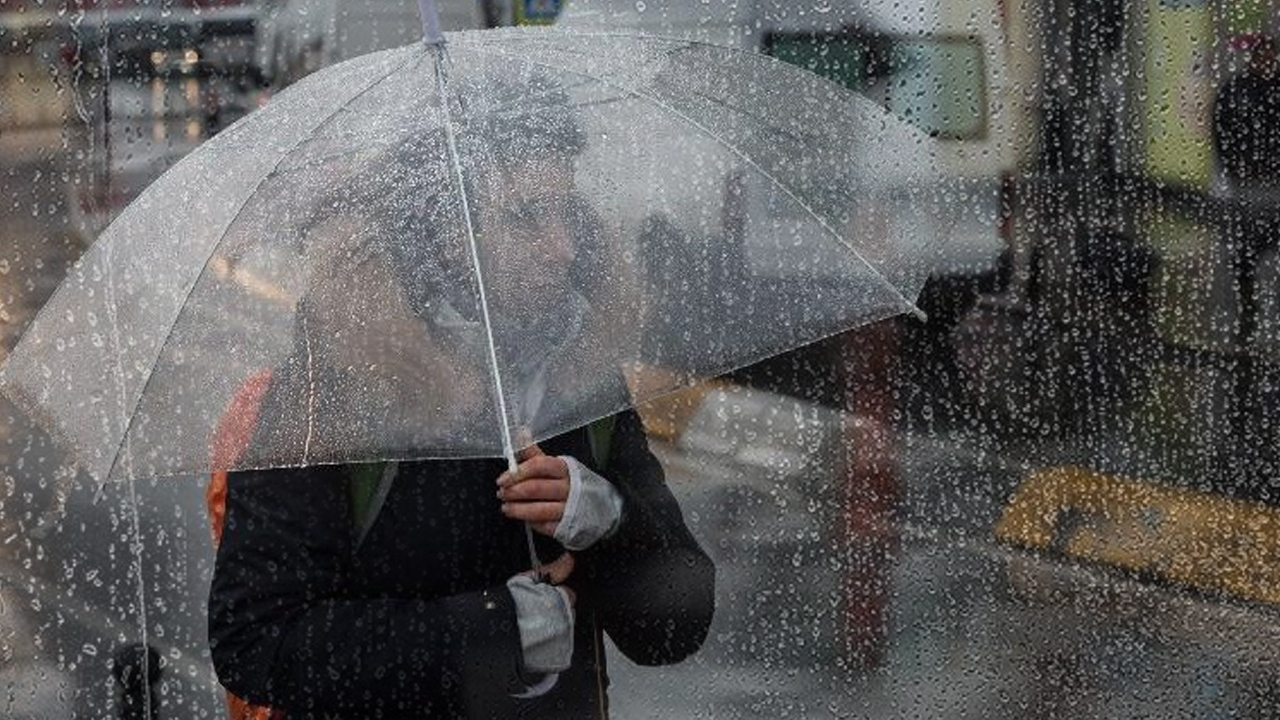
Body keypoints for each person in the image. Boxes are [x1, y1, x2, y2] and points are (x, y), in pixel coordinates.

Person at [207, 75, 716, 719]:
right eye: (526, 218)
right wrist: (487, 631)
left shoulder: (579, 372)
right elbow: (256, 642)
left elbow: (676, 628)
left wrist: (612, 521)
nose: (561, 248)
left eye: (566, 211)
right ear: (445, 231)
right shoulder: (334, 385)